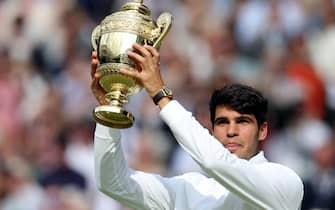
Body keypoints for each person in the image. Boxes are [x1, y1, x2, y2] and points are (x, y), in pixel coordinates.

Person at [91, 43, 304, 210]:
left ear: (263, 130)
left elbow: (215, 162)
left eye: (242, 121)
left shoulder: (284, 181)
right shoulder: (191, 188)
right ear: (212, 130)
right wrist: (110, 110)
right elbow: (113, 183)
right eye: (222, 122)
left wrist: (161, 95)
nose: (231, 131)